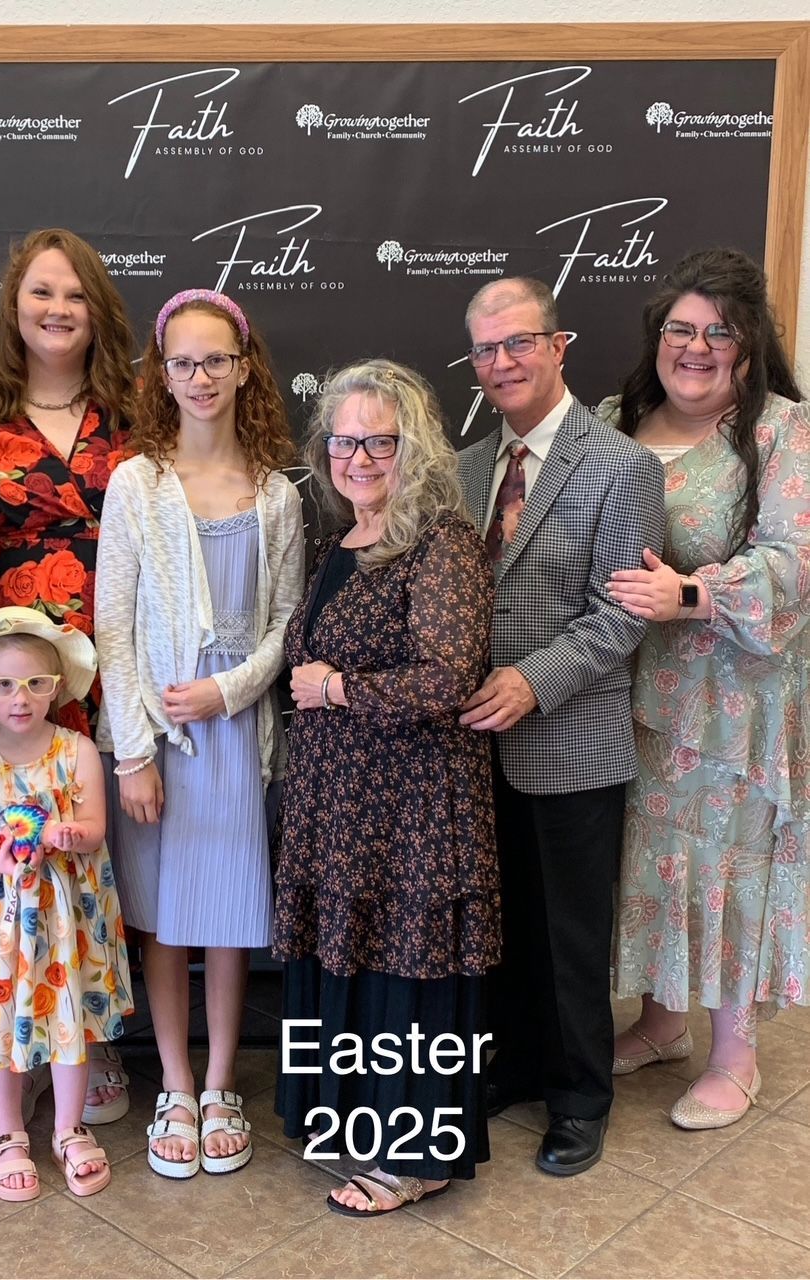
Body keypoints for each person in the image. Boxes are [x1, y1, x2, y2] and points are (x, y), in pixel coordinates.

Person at [0, 227, 137, 1130]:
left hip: (111, 656)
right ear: (13, 305)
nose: (58, 309)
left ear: (99, 311)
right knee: (3, 840)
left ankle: (92, 1033)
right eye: (41, 292)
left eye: (76, 294)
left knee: (94, 842)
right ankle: (9, 1034)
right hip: (3, 668)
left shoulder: (138, 411)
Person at [273, 359, 501, 1216]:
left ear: (417, 449)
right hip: (340, 799)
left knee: (410, 967)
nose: (359, 457)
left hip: (413, 804)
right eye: (344, 441)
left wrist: (338, 689)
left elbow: (448, 675)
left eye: (380, 441)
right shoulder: (342, 540)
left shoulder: (441, 541)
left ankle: (416, 1156)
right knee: (358, 958)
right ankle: (355, 1121)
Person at [457, 276, 665, 1175]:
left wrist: (532, 683)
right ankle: (514, 1066)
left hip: (572, 742)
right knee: (499, 927)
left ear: (557, 344)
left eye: (519, 342)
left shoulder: (621, 466)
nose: (503, 361)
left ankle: (580, 1097)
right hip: (473, 747)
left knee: (572, 935)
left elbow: (622, 615)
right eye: (486, 349)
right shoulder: (465, 468)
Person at [95, 288, 304, 1178]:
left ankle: (221, 1084)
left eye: (216, 359)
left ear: (244, 366)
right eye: (182, 362)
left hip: (238, 735)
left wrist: (228, 690)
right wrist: (133, 752)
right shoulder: (136, 484)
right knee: (166, 919)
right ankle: (174, 1085)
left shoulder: (277, 494)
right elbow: (113, 630)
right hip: (158, 743)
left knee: (227, 916)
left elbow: (288, 623)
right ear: (161, 373)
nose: (200, 376)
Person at [599, 248, 809, 1129]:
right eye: (680, 329)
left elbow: (794, 563)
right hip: (633, 694)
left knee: (726, 865)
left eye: (719, 333)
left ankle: (735, 1053)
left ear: (750, 345)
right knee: (652, 860)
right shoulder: (613, 421)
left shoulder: (783, 432)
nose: (695, 348)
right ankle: (661, 1022)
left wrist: (690, 595)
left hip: (733, 707)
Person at [0, 606, 134, 1199]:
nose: (19, 697)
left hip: (66, 919)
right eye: (4, 684)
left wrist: (70, 834)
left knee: (71, 1019)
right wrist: (0, 861)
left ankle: (70, 1128)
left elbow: (95, 828)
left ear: (56, 687)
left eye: (34, 683)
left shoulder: (76, 752)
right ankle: (9, 1133)